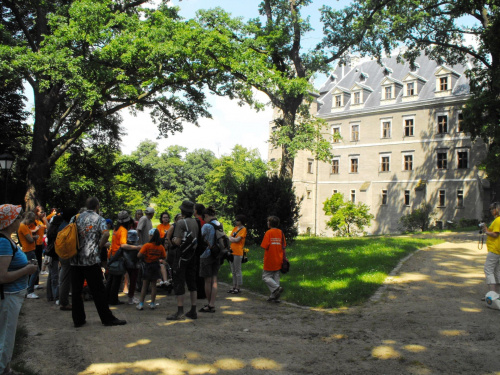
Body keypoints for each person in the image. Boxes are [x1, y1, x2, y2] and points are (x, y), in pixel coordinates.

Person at [71, 197, 126, 327]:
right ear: (97, 206)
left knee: (76, 291)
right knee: (98, 291)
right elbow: (106, 234)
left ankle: (78, 320)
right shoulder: (98, 219)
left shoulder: (75, 217)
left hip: (75, 259)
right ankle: (107, 318)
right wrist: (100, 246)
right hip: (90, 260)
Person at [0, 204, 38, 375]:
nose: (19, 220)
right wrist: (27, 270)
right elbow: (2, 276)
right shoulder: (4, 242)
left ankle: (6, 367)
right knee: (6, 336)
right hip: (8, 296)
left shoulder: (6, 240)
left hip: (11, 295)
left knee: (7, 334)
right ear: (8, 222)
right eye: (16, 217)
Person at [166, 201, 199, 320]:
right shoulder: (196, 222)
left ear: (182, 211)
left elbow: (178, 241)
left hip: (182, 255)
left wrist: (173, 240)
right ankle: (193, 310)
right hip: (193, 255)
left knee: (179, 281)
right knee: (192, 282)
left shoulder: (180, 223)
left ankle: (180, 311)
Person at [106, 211, 141, 305]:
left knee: (111, 278)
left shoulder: (115, 229)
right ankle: (113, 300)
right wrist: (136, 247)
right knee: (116, 280)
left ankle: (108, 298)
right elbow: (123, 245)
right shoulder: (123, 230)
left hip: (113, 255)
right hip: (119, 256)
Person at [198, 206, 222, 313]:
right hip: (217, 254)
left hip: (206, 254)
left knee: (207, 281)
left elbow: (200, 239)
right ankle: (212, 303)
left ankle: (209, 304)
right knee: (214, 280)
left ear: (206, 216)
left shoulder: (207, 226)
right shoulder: (219, 224)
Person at [137, 229, 166, 310]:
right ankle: (152, 303)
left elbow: (139, 255)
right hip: (156, 266)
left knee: (144, 286)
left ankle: (141, 303)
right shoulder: (160, 247)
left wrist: (145, 256)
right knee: (154, 286)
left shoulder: (147, 245)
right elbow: (164, 256)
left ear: (151, 236)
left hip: (148, 265)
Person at [56, 208, 78, 310]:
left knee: (64, 277)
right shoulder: (69, 227)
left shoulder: (61, 225)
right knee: (65, 279)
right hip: (68, 255)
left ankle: (63, 301)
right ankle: (64, 303)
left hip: (62, 254)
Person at [261, 216, 286, 303]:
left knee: (266, 277)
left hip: (270, 259)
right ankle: (274, 297)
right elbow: (283, 246)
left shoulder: (268, 233)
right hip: (279, 258)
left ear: (270, 223)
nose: (267, 223)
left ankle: (276, 288)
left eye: (268, 222)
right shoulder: (281, 233)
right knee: (276, 277)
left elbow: (264, 246)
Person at [17, 211, 40, 299]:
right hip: (29, 251)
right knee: (35, 270)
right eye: (30, 221)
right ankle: (30, 290)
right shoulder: (23, 227)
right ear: (27, 219)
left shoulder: (24, 226)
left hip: (29, 250)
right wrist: (35, 238)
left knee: (33, 270)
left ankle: (30, 287)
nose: (31, 224)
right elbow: (29, 239)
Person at [481, 202, 500, 293]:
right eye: (491, 209)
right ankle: (497, 294)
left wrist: (486, 232)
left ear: (498, 209)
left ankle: (492, 294)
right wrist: (486, 229)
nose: (491, 210)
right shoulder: (497, 220)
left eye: (493, 208)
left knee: (488, 269)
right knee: (496, 272)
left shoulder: (498, 220)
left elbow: (495, 234)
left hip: (494, 249)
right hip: (497, 250)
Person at [228, 214, 247, 294]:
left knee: (237, 270)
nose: (236, 222)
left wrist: (232, 239)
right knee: (233, 270)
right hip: (231, 250)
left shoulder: (243, 229)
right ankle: (234, 286)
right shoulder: (235, 228)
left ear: (241, 221)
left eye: (237, 220)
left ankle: (238, 287)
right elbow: (229, 237)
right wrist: (233, 239)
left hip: (238, 251)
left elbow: (237, 240)